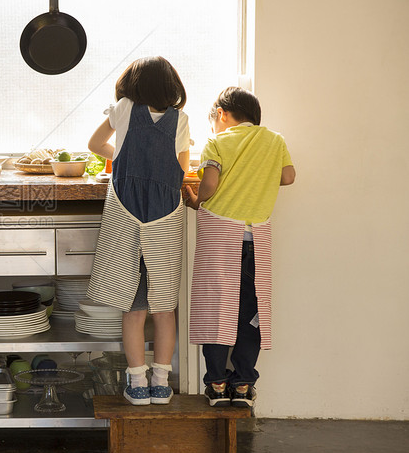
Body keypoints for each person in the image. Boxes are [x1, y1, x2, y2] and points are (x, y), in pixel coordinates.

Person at [86, 56, 190, 405]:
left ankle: (137, 383)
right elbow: (181, 169)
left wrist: (123, 158)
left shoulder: (124, 108)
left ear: (133, 84)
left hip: (127, 213)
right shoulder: (181, 119)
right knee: (164, 307)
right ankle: (162, 382)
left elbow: (95, 145)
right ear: (171, 86)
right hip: (165, 217)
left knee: (132, 308)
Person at [183, 86, 295, 408]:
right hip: (255, 240)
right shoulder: (275, 141)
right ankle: (244, 385)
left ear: (221, 115)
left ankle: (217, 384)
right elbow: (288, 177)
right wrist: (257, 176)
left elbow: (210, 184)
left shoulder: (217, 141)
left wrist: (196, 201)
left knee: (214, 311)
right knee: (250, 315)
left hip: (219, 237)